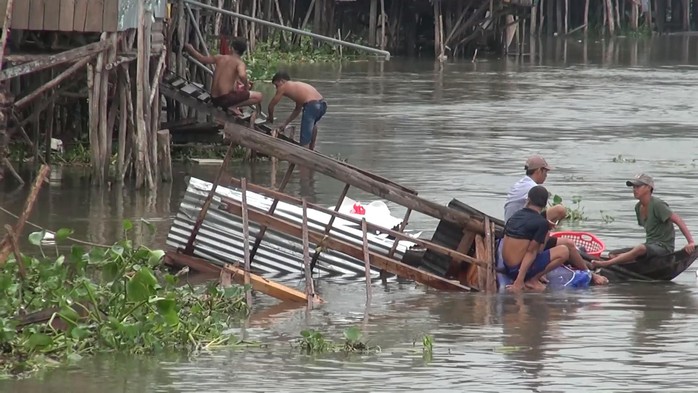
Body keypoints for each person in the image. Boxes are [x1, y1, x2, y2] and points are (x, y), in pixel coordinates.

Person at [504, 156, 608, 286]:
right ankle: (537, 276)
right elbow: (531, 251)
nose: (546, 175)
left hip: (520, 225)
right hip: (523, 232)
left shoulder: (522, 183)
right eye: (545, 172)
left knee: (569, 243)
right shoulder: (531, 188)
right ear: (538, 171)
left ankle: (589, 273)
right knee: (560, 212)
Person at [592, 174, 695, 268]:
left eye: (638, 187)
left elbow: (678, 220)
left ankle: (605, 264)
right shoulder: (638, 207)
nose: (634, 190)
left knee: (640, 248)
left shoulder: (657, 205)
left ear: (649, 188)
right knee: (613, 254)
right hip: (650, 246)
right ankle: (633, 264)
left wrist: (690, 242)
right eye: (633, 187)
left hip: (663, 247)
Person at [502, 186, 593, 292]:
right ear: (545, 205)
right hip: (516, 270)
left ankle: (533, 276)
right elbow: (531, 252)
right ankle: (532, 280)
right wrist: (519, 281)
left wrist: (545, 227)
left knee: (556, 242)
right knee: (563, 251)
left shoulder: (515, 216)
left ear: (528, 200)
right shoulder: (541, 223)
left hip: (507, 266)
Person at [184, 38, 262, 117]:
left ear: (231, 48)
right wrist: (246, 86)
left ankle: (232, 105)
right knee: (259, 96)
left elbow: (202, 58)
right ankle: (233, 106)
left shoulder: (219, 57)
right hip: (225, 100)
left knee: (237, 86)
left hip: (214, 99)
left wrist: (190, 49)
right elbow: (242, 75)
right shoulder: (239, 63)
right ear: (243, 52)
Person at [267, 71, 327, 149]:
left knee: (304, 138)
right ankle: (311, 149)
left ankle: (304, 153)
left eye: (276, 85)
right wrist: (285, 123)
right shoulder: (296, 87)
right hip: (322, 104)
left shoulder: (283, 87)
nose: (276, 88)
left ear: (281, 81)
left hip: (312, 105)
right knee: (312, 125)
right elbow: (297, 110)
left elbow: (271, 106)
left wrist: (270, 117)